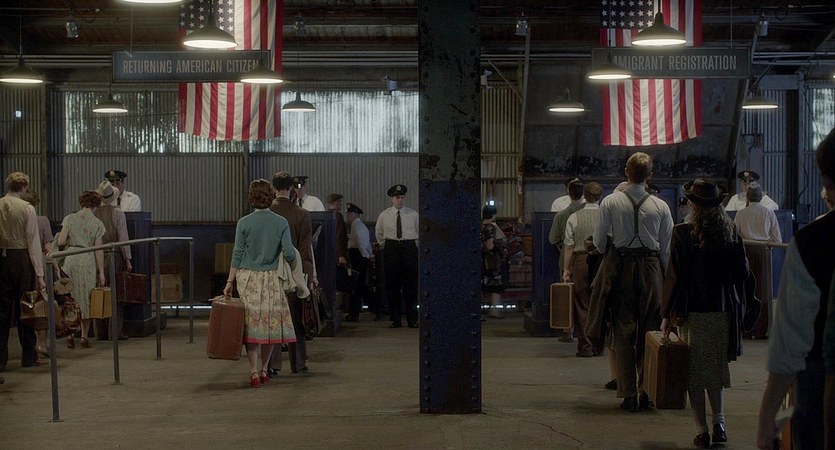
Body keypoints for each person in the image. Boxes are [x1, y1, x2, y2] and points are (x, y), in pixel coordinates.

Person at [757, 127, 835, 449]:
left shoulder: (810, 242)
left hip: (820, 382)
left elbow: (792, 339)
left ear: (826, 183)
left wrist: (768, 415)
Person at [661, 178, 749, 449]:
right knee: (715, 369)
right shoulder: (730, 231)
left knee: (694, 373)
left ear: (692, 204)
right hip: (721, 310)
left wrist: (666, 314)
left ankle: (701, 431)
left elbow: (674, 276)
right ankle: (719, 424)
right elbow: (742, 273)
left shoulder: (681, 232)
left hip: (692, 312)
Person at [591, 152, 673, 413]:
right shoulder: (661, 206)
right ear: (650, 175)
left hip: (622, 268)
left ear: (626, 171)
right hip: (651, 269)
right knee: (650, 331)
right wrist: (666, 279)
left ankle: (628, 394)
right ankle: (646, 391)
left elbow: (598, 242)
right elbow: (667, 249)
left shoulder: (610, 201)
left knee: (623, 331)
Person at [224, 179, 297, 388]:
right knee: (269, 326)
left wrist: (229, 281)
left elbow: (237, 253)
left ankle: (254, 372)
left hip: (248, 279)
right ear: (271, 196)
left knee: (252, 328)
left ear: (252, 198)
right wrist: (294, 267)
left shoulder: (244, 223)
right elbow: (289, 253)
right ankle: (265, 369)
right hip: (271, 279)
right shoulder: (281, 223)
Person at [268, 172, 317, 375]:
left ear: (274, 188)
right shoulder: (302, 214)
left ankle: (272, 365)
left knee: (273, 318)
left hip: (271, 272)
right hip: (295, 271)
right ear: (291, 188)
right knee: (297, 319)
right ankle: (298, 363)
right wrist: (309, 276)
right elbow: (306, 249)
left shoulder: (267, 212)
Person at [0, 172, 46, 372]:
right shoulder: (27, 208)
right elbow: (33, 241)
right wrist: (40, 274)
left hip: (1, 258)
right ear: (24, 187)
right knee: (26, 307)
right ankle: (28, 355)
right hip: (21, 258)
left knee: (2, 311)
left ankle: (1, 360)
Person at [56, 191, 106, 349]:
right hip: (87, 260)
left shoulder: (69, 218)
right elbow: (99, 249)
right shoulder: (97, 223)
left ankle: (70, 334)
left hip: (71, 258)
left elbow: (61, 241)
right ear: (96, 205)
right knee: (86, 297)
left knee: (69, 296)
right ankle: (84, 336)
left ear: (82, 203)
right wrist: (101, 272)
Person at [562, 181, 603, 357]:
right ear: (600, 197)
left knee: (582, 304)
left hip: (581, 261)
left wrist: (566, 269)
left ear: (585, 196)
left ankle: (585, 347)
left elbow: (569, 246)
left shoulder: (574, 217)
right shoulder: (606, 215)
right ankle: (598, 346)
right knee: (600, 304)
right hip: (603, 261)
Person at [20, 190, 59, 358]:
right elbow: (49, 248)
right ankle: (42, 343)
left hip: (22, 260)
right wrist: (56, 267)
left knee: (27, 304)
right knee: (42, 304)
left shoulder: (18, 219)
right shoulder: (43, 220)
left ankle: (28, 346)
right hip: (40, 263)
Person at [93, 180, 133, 340]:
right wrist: (127, 259)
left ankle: (99, 332)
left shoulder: (93, 213)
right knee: (115, 295)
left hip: (95, 256)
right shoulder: (118, 213)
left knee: (97, 293)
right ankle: (114, 332)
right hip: (114, 255)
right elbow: (123, 238)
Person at [375, 184, 419, 328]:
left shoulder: (413, 214)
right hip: (391, 247)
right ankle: (395, 319)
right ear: (391, 199)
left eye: (402, 197)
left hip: (408, 247)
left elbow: (418, 231)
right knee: (392, 285)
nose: (400, 200)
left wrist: (413, 246)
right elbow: (379, 233)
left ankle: (412, 319)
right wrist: (385, 245)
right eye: (397, 198)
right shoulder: (384, 215)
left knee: (410, 285)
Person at [345, 202, 373, 322]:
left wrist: (365, 255)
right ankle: (372, 306)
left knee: (357, 285)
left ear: (355, 214)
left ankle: (356, 312)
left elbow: (362, 243)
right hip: (360, 256)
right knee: (359, 285)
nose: (348, 216)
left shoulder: (356, 225)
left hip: (358, 256)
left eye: (349, 214)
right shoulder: (358, 225)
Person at [482, 204, 507, 319]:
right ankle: (495, 309)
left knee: (483, 285)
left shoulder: (480, 226)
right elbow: (490, 245)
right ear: (493, 215)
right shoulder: (491, 227)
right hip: (492, 261)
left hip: (483, 260)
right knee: (496, 285)